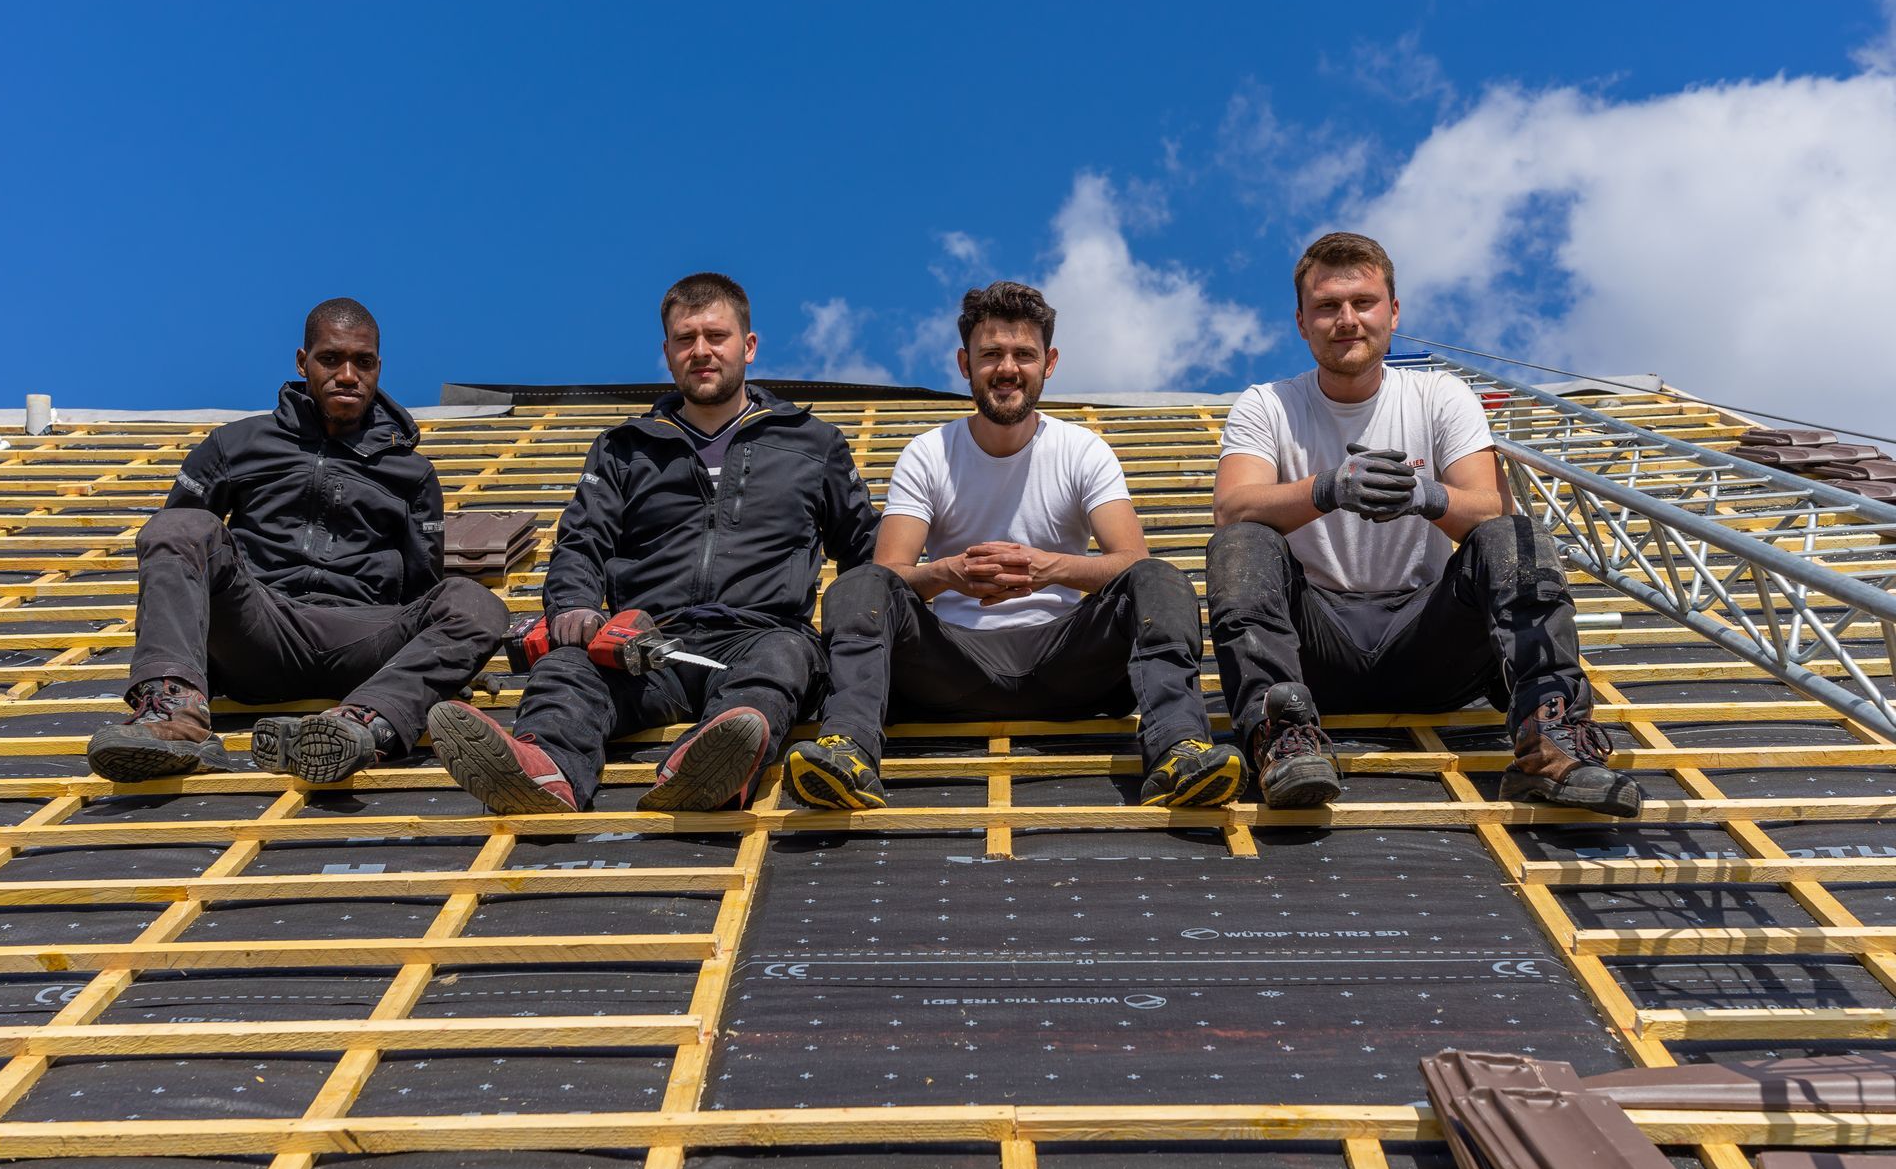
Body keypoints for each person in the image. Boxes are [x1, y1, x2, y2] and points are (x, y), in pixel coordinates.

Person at [1207, 232, 1640, 816]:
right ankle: (1281, 737)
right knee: (1244, 540)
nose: (1347, 320)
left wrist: (1427, 496)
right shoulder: (1267, 405)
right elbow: (1231, 508)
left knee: (1513, 535)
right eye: (1328, 307)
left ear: (1393, 312)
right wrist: (1328, 489)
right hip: (1313, 653)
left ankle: (1551, 743)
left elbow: (1490, 510)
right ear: (1301, 322)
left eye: (1363, 302)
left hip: (1428, 641)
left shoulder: (1441, 395)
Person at [427, 272, 879, 813]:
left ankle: (707, 767)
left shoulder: (813, 443)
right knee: (566, 671)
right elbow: (582, 541)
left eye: (717, 335)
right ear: (667, 353)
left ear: (749, 346)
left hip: (760, 633)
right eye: (686, 339)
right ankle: (545, 772)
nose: (702, 351)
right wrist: (572, 606)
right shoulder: (624, 448)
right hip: (644, 644)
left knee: (781, 663)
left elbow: (866, 555)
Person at [783, 280, 1242, 810]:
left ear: (1048, 363)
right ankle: (849, 750)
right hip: (951, 663)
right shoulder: (929, 454)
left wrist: (1049, 569)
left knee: (1160, 578)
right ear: (964, 363)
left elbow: (1131, 563)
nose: (1007, 369)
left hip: (1067, 663)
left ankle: (1178, 750)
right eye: (991, 355)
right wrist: (949, 574)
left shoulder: (1081, 450)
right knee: (859, 583)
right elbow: (888, 577)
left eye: (1023, 354)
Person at [87, 298, 508, 783]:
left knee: (476, 604)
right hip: (259, 631)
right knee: (177, 526)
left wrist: (443, 669)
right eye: (331, 359)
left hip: (363, 641)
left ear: (378, 367)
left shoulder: (411, 474)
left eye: (363, 362)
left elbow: (422, 586)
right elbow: (178, 563)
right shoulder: (235, 445)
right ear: (302, 362)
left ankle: (362, 725)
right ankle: (174, 714)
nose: (348, 374)